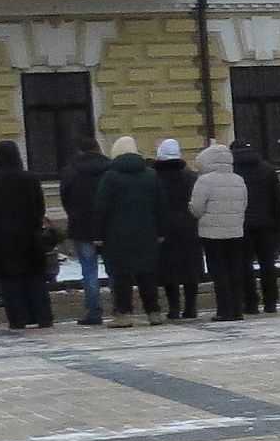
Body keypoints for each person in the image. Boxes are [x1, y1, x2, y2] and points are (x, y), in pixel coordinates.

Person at [0, 141, 57, 330]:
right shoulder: (30, 178)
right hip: (30, 237)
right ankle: (43, 317)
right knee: (35, 279)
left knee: (10, 281)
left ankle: (18, 319)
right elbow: (39, 207)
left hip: (2, 239)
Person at [94, 138, 162, 325]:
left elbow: (101, 208)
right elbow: (161, 206)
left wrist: (98, 234)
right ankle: (153, 312)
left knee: (121, 275)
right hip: (147, 232)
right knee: (147, 274)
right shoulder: (151, 175)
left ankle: (123, 314)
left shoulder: (110, 177)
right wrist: (161, 231)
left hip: (117, 235)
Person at [189, 142, 250, 322]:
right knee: (235, 271)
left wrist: (191, 208)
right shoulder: (238, 179)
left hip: (212, 235)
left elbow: (197, 208)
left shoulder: (204, 180)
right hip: (235, 231)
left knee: (219, 272)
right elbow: (244, 204)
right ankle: (237, 308)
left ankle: (224, 310)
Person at [59, 134, 109, 325]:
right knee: (113, 269)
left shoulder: (71, 170)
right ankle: (121, 308)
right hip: (107, 225)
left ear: (79, 150)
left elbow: (65, 197)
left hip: (81, 226)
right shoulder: (109, 167)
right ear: (97, 147)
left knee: (89, 270)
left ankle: (94, 312)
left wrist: (73, 214)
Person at [233, 141, 280, 313]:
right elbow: (277, 199)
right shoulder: (268, 169)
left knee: (244, 265)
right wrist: (277, 222)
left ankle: (250, 303)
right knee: (267, 264)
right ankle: (270, 302)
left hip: (242, 225)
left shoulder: (233, 171)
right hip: (265, 224)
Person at [154, 139, 202, 320]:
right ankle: (191, 307)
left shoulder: (155, 177)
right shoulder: (190, 176)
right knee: (190, 268)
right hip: (189, 226)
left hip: (164, 227)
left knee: (168, 269)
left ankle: (173, 307)